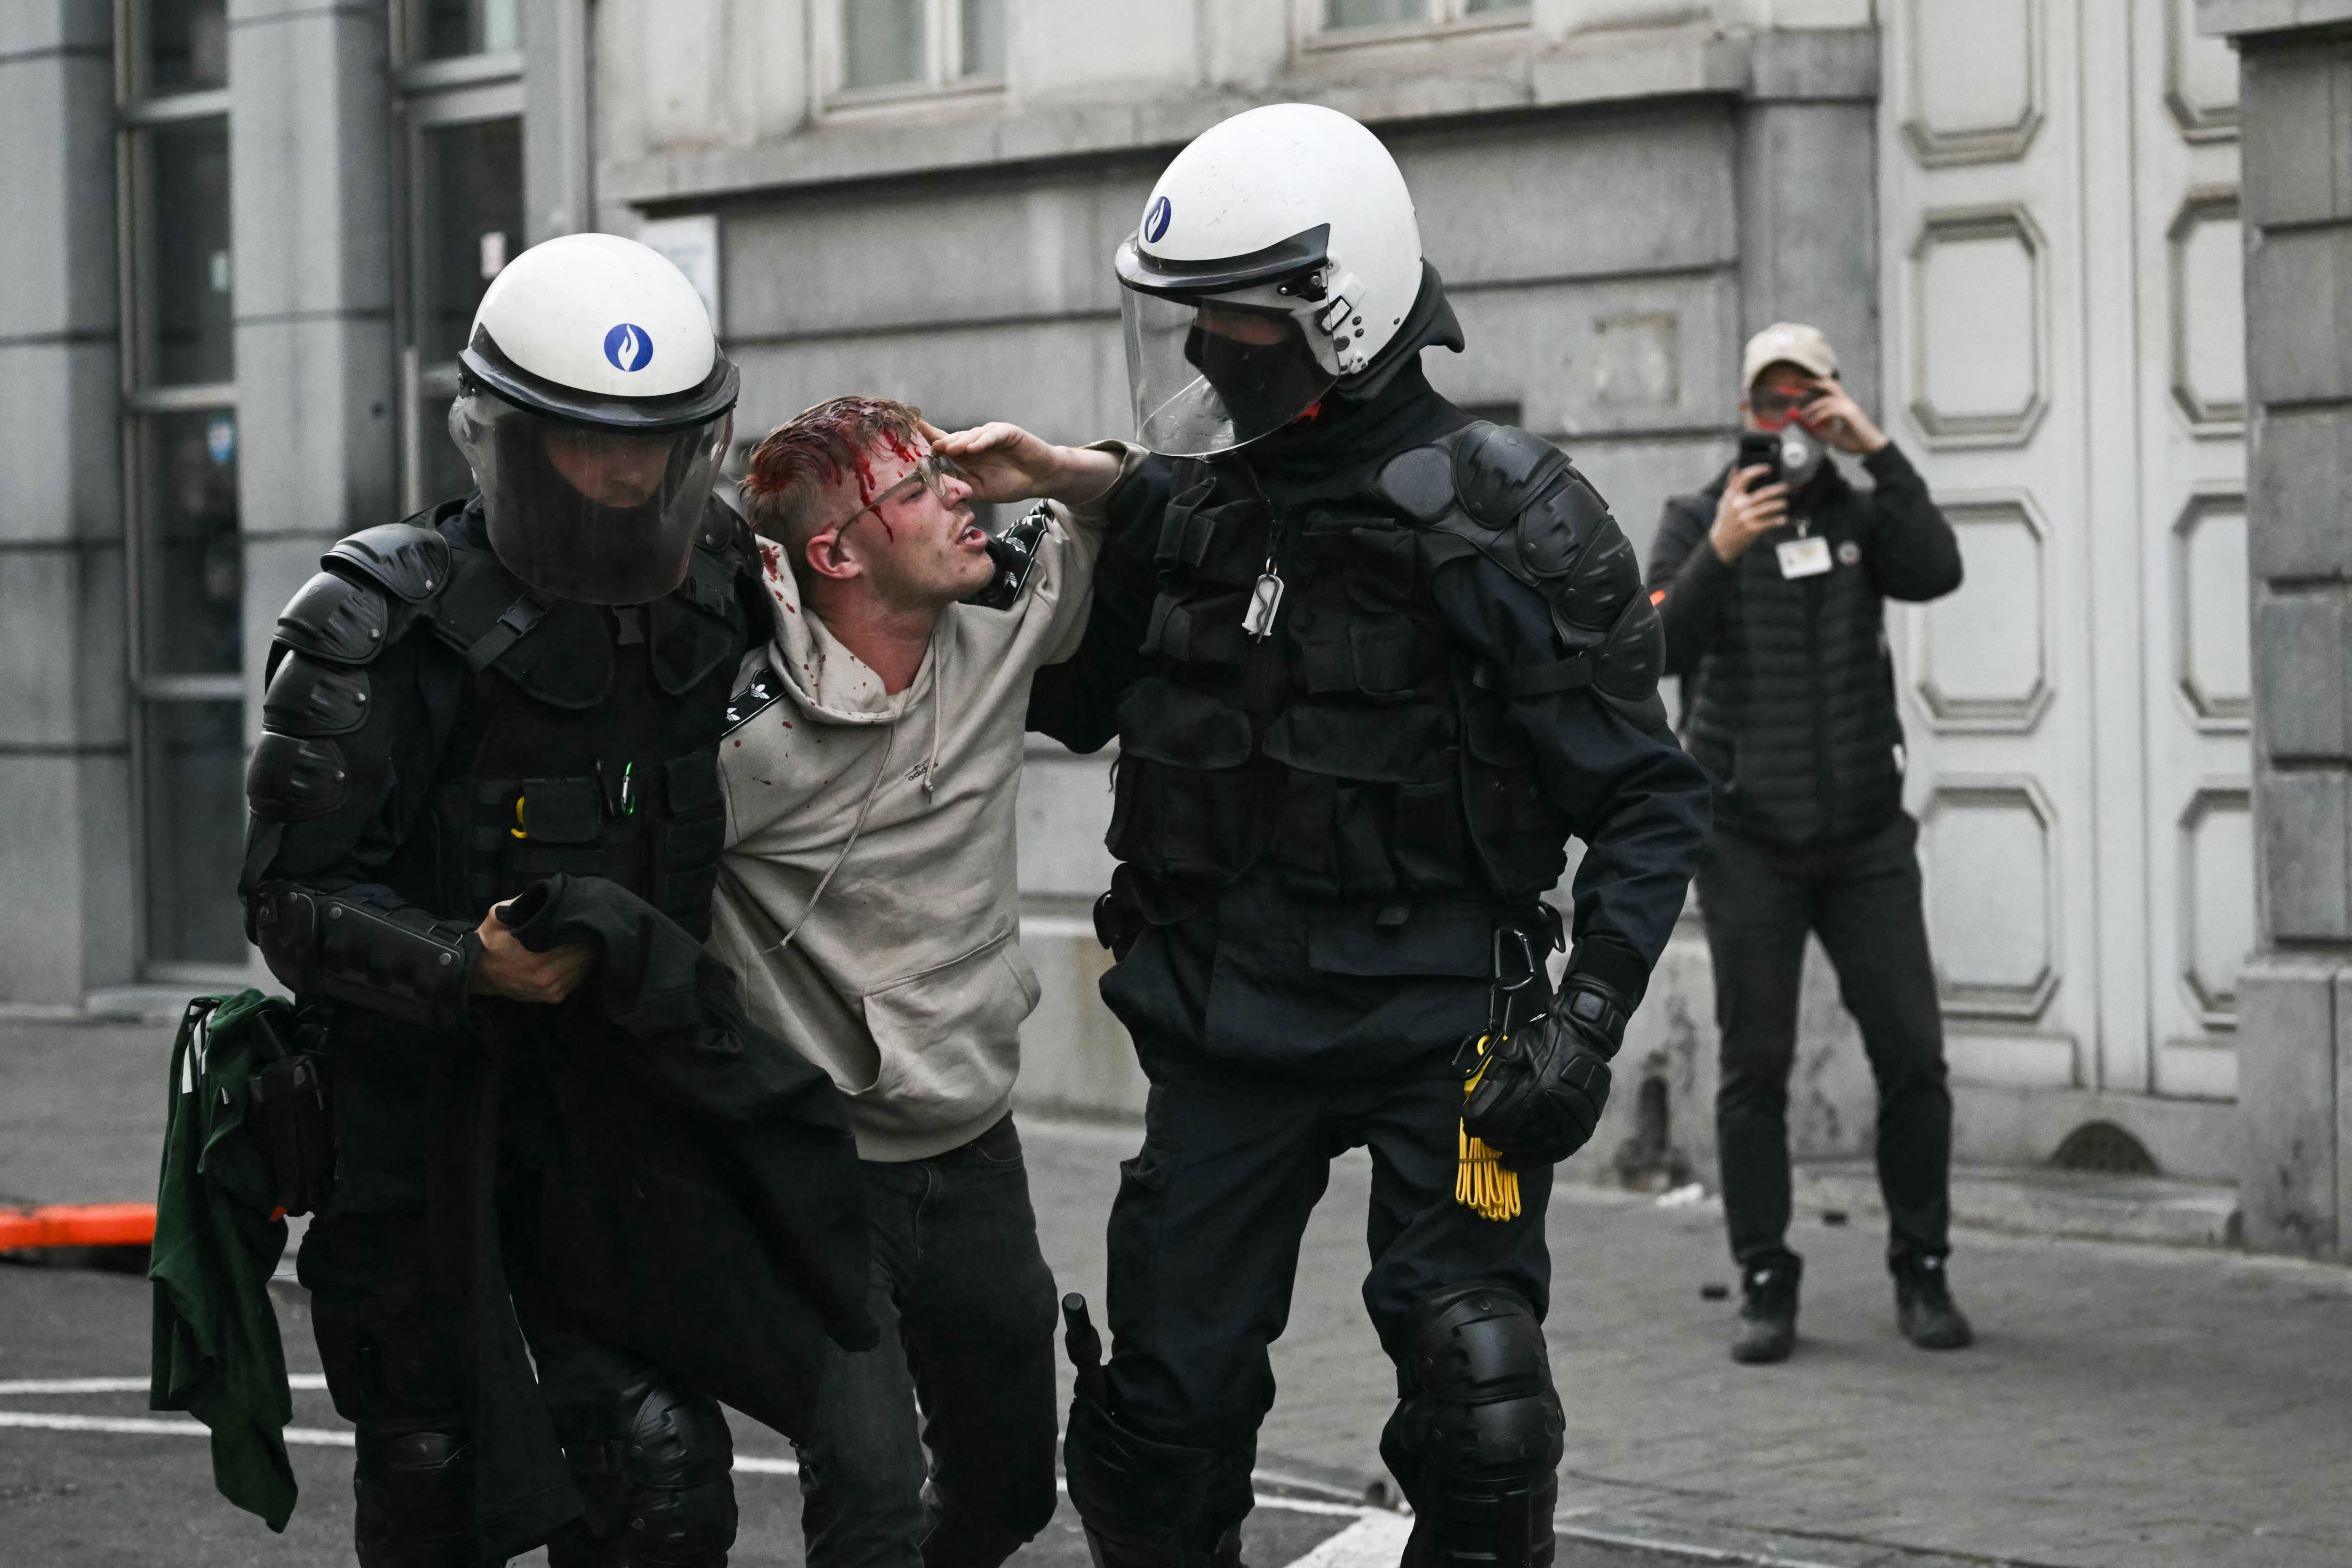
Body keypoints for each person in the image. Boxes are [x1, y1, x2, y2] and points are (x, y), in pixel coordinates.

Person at [995, 103, 1713, 1568]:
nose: (1205, 354)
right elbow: (1060, 698)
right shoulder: (1187, 515)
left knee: (1480, 1398)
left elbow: (1649, 796)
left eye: (1238, 327)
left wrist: (1584, 1025)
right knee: (1156, 1428)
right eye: (1190, 319)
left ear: (1342, 312)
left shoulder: (1512, 518)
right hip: (1223, 1017)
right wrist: (944, 564)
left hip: (1448, 1025)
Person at [239, 233, 874, 1567]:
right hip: (424, 1129)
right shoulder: (375, 620)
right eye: (589, 447)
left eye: (653, 447)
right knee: (436, 1477)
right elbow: (290, 898)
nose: (625, 475)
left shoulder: (714, 582)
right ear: (505, 439)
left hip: (617, 1120)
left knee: (661, 1470)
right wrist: (461, 963)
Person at [708, 397, 1120, 1568]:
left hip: (975, 1142)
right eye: (921, 486)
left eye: (950, 472)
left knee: (1008, 1493)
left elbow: (1141, 513)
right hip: (818, 1172)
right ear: (834, 553)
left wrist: (1055, 465)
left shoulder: (1002, 620)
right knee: (876, 1496)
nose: (962, 495)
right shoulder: (740, 737)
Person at [1645, 321, 1971, 1365]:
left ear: (1827, 408)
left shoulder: (1862, 516)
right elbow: (1653, 642)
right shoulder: (1698, 516)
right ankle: (1764, 1278)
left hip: (1866, 836)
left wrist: (1877, 448)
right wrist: (1722, 548)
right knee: (1756, 1068)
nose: (1787, 422)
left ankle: (1921, 1267)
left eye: (1807, 401)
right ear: (1746, 413)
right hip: (1746, 841)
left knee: (1914, 1057)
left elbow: (1939, 570)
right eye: (1771, 402)